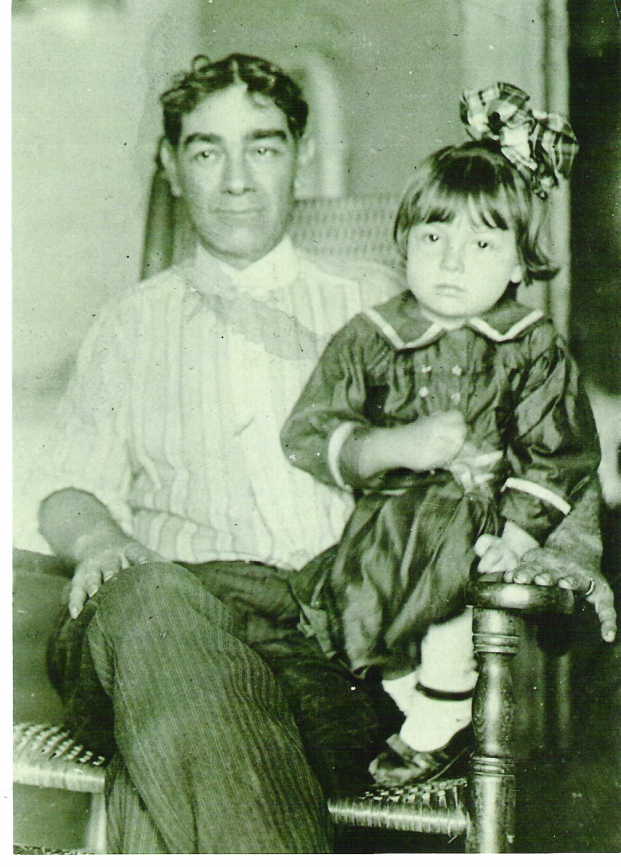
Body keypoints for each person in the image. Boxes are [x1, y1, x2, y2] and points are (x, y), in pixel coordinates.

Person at [16, 61, 615, 853]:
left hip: (331, 654)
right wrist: (100, 540)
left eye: (262, 147)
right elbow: (65, 485)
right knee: (150, 599)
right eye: (206, 151)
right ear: (169, 163)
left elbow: (534, 434)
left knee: (173, 752)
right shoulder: (128, 323)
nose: (236, 179)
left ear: (298, 156)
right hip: (156, 612)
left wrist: (562, 552)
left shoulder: (390, 309)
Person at [279, 83, 616, 786]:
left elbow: (560, 449)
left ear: (519, 261)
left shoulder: (531, 345)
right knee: (346, 611)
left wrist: (517, 535)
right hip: (386, 522)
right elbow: (310, 428)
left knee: (450, 598)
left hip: (477, 520)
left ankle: (439, 709)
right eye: (433, 238)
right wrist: (388, 447)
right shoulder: (372, 336)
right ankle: (429, 712)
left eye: (481, 243)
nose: (452, 262)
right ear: (404, 243)